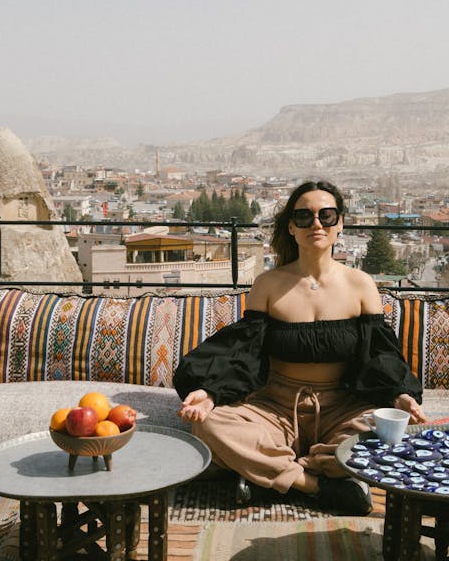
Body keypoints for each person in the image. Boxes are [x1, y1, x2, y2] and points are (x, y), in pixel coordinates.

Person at [174, 179, 426, 514]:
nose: (316, 224)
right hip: (274, 408)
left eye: (327, 215)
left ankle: (270, 476)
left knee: (390, 428)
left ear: (340, 225)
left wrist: (400, 396)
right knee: (207, 424)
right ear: (292, 227)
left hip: (342, 408)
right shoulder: (269, 284)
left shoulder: (361, 285)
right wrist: (210, 394)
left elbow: (379, 355)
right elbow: (245, 351)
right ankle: (317, 484)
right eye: (304, 217)